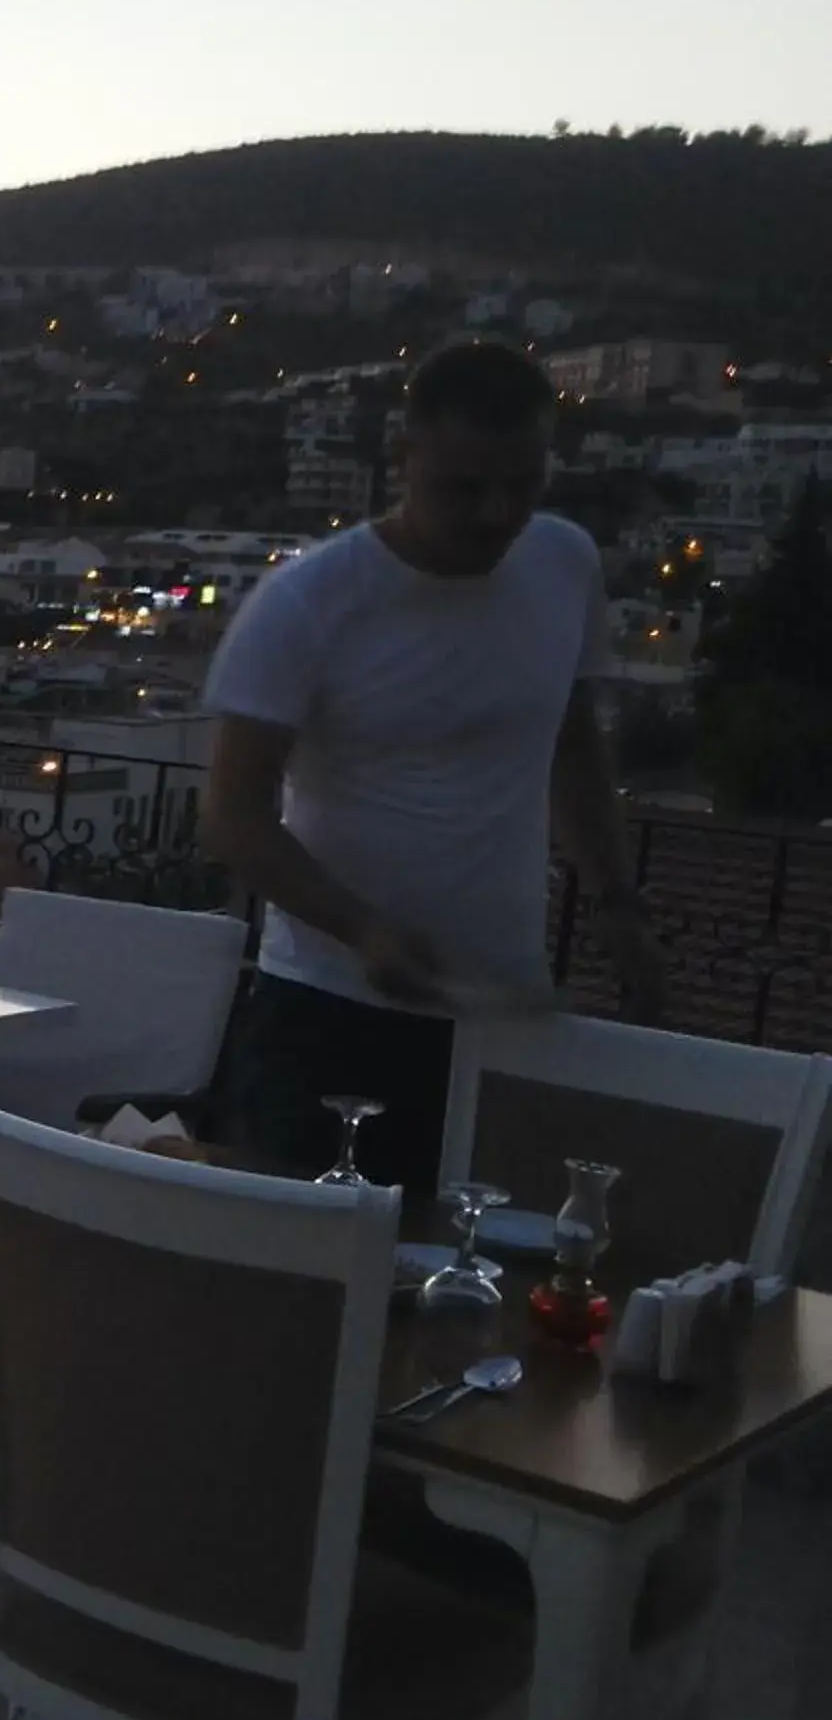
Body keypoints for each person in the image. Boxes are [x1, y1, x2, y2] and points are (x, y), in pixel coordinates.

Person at [203, 340, 663, 1203]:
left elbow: (571, 744)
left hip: (500, 1014)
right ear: (402, 457)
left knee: (478, 1281)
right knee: (312, 1285)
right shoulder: (308, 601)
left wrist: (617, 903)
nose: (496, 514)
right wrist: (362, 929)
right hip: (328, 1015)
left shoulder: (564, 564)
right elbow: (233, 817)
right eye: (465, 487)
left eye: (522, 485)